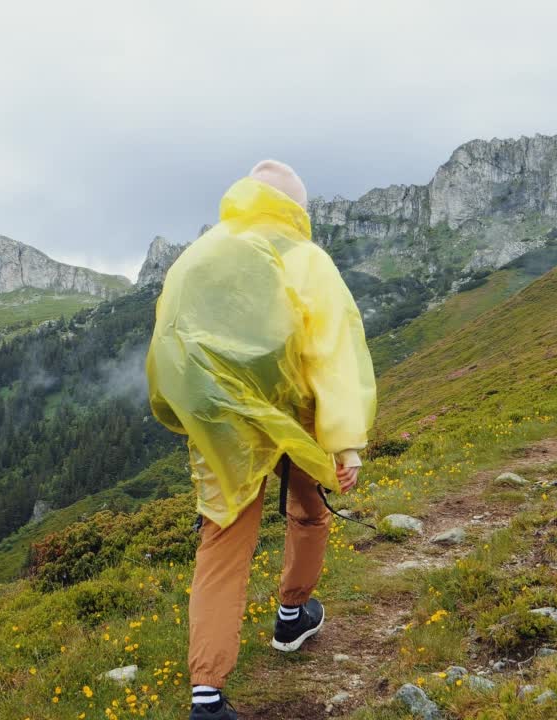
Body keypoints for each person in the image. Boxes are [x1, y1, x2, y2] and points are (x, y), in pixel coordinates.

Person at [146, 160, 376, 720]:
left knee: (223, 543)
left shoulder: (197, 255)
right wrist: (346, 442)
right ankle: (293, 615)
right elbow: (333, 348)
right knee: (309, 510)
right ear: (295, 209)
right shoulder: (303, 256)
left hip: (220, 419)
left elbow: (168, 338)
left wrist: (194, 411)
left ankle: (207, 696)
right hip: (293, 413)